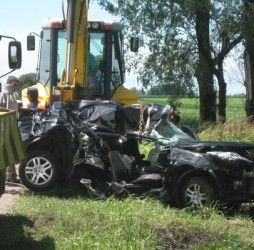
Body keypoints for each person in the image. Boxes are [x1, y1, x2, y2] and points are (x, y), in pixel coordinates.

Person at [0, 75, 20, 183]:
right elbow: (2, 108)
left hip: (13, 123)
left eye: (17, 85)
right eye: (14, 85)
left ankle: (11, 175)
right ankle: (10, 176)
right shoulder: (4, 94)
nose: (16, 87)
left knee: (11, 149)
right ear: (9, 83)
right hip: (6, 123)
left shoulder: (13, 95)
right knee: (7, 149)